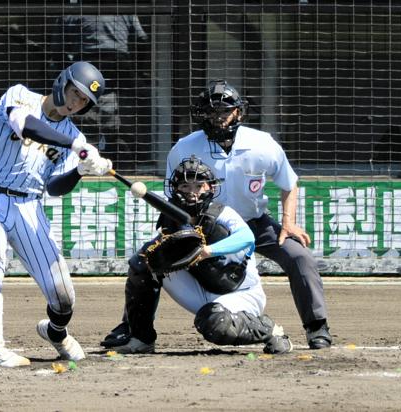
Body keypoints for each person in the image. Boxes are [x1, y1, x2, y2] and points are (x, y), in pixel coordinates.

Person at [103, 79, 332, 350]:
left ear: (238, 112)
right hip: (201, 226)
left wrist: (288, 222)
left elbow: (289, 182)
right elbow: (173, 195)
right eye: (212, 112)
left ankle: (316, 327)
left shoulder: (262, 144)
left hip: (255, 222)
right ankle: (134, 329)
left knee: (299, 256)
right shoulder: (184, 148)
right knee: (146, 260)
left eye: (225, 111)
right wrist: (176, 231)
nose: (219, 117)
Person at [0, 61, 112, 367]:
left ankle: (55, 333)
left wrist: (80, 171)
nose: (76, 103)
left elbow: (55, 187)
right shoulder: (19, 96)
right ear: (63, 83)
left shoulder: (75, 138)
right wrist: (75, 145)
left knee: (63, 297)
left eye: (83, 100)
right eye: (75, 93)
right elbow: (25, 125)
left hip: (30, 208)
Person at [110, 156, 293, 355]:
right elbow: (150, 257)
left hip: (240, 293)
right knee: (142, 264)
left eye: (199, 186)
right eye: (185, 186)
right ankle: (141, 337)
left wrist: (208, 251)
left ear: (211, 189)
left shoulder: (223, 213)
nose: (192, 193)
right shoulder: (170, 220)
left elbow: (247, 238)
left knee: (215, 324)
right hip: (199, 289)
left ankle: (271, 331)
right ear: (175, 189)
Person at [54, 15, 150, 173]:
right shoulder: (124, 11)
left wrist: (69, 74)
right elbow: (142, 40)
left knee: (83, 128)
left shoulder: (72, 12)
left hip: (85, 69)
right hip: (118, 68)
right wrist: (136, 69)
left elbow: (57, 49)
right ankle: (122, 172)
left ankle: (80, 170)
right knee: (119, 129)